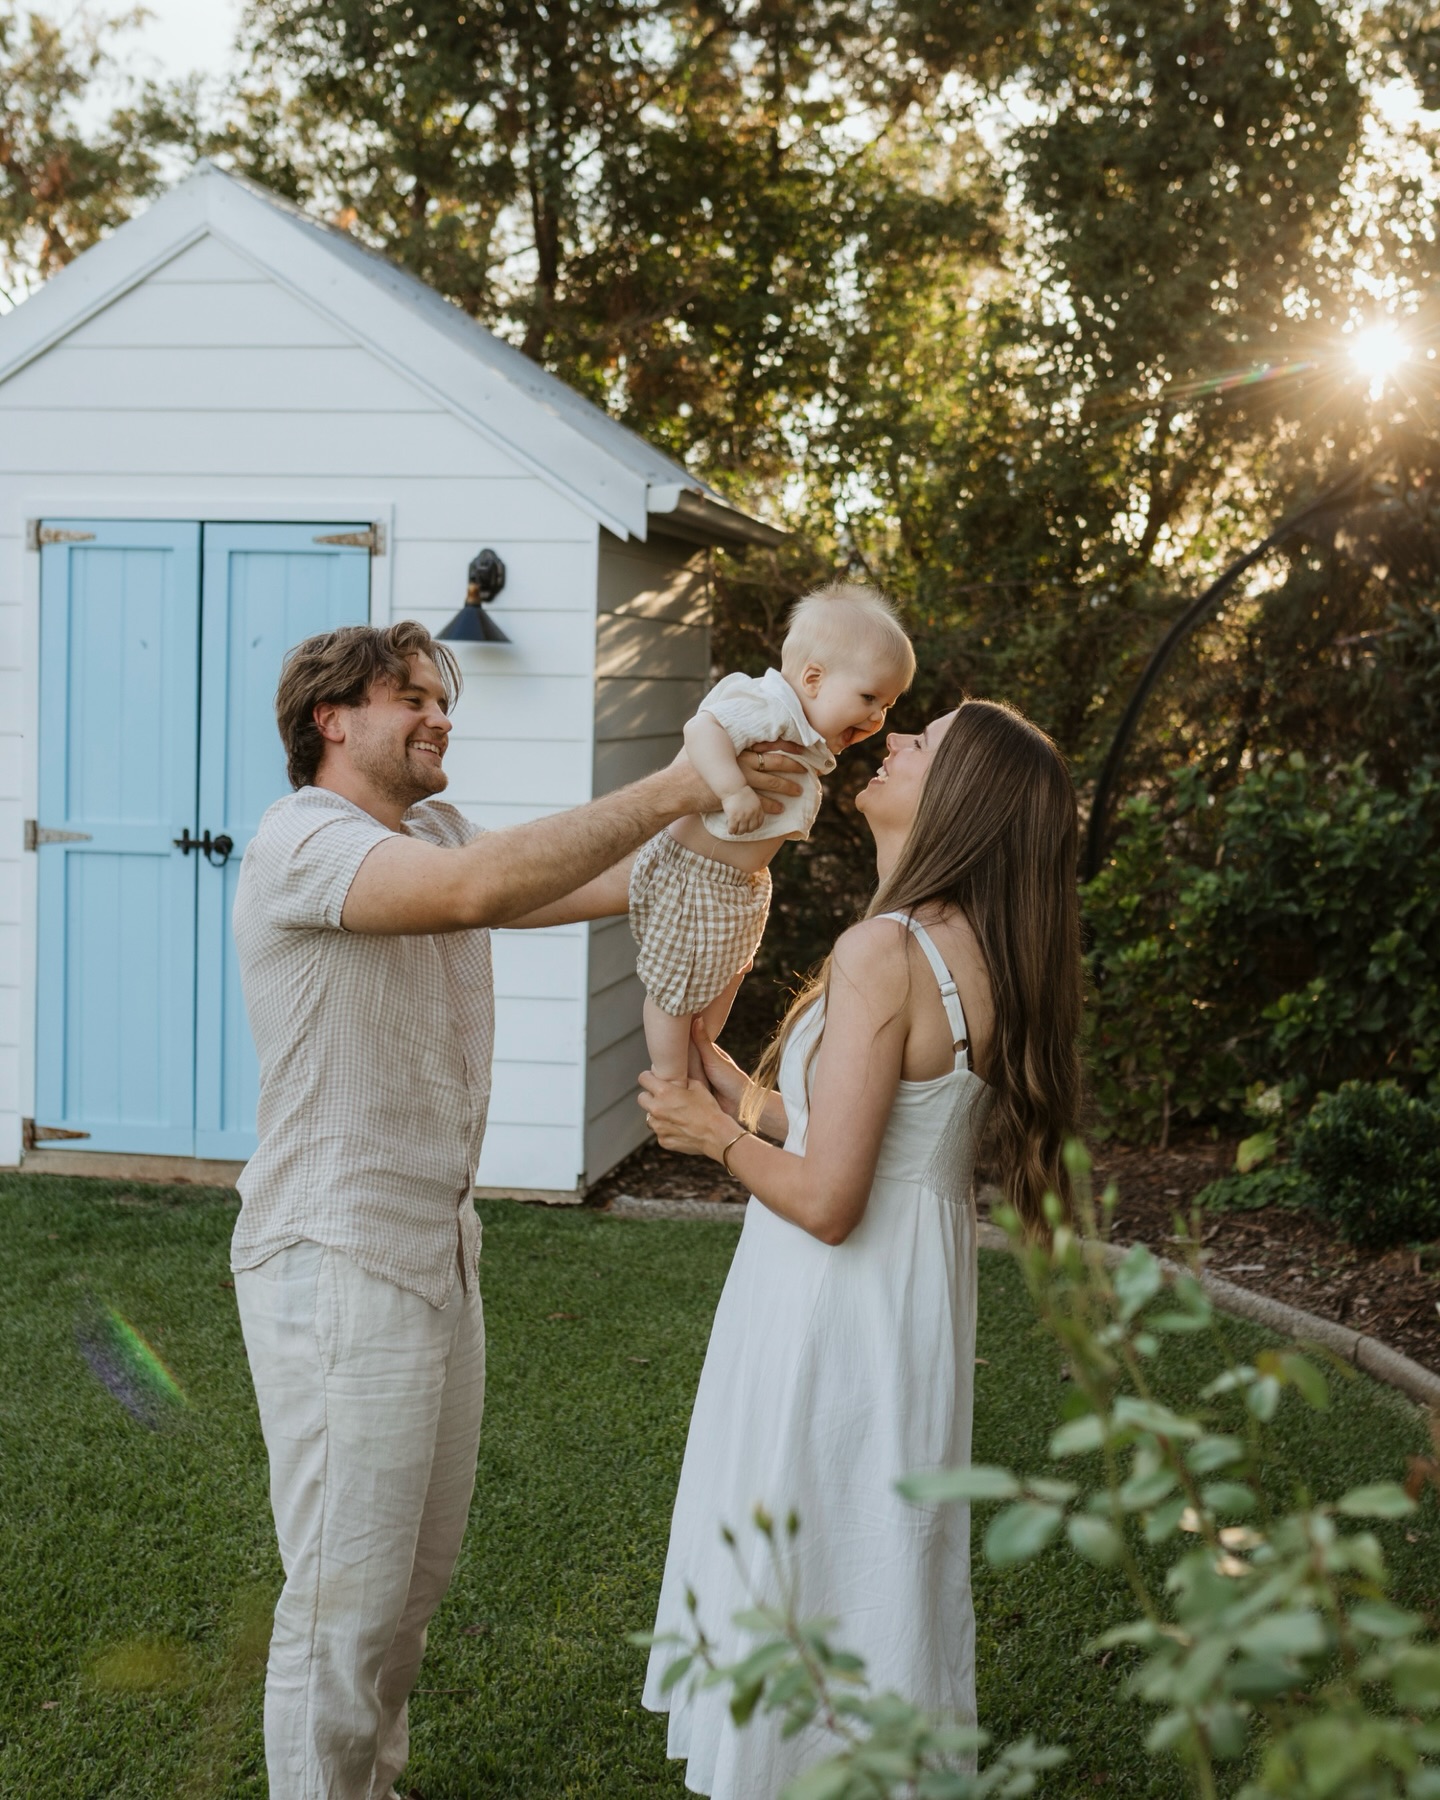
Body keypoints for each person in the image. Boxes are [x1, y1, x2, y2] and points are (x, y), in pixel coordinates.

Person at [229, 620, 803, 1800]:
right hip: (334, 1254)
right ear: (330, 720)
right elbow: (480, 889)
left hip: (437, 1247)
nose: (440, 714)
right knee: (344, 1594)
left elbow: (613, 879)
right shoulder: (304, 841)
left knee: (410, 1584)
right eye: (411, 697)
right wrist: (685, 774)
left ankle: (370, 1785)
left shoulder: (428, 826)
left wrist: (735, 818)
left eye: (445, 696)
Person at [636, 698, 1085, 1799]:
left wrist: (708, 1140)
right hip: (906, 1300)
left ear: (960, 798)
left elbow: (831, 1198)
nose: (894, 742)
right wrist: (718, 1072)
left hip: (831, 1294)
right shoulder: (968, 948)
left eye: (923, 745)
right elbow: (831, 1125)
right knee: (870, 1558)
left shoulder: (882, 951)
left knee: (806, 1542)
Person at [630, 584, 914, 1083]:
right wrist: (732, 790)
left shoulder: (804, 727)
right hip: (695, 877)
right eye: (869, 697)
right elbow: (702, 730)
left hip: (738, 886)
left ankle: (698, 1061)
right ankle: (671, 1079)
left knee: (728, 973)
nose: (876, 717)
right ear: (812, 678)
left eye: (886, 705)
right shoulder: (767, 706)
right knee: (674, 988)